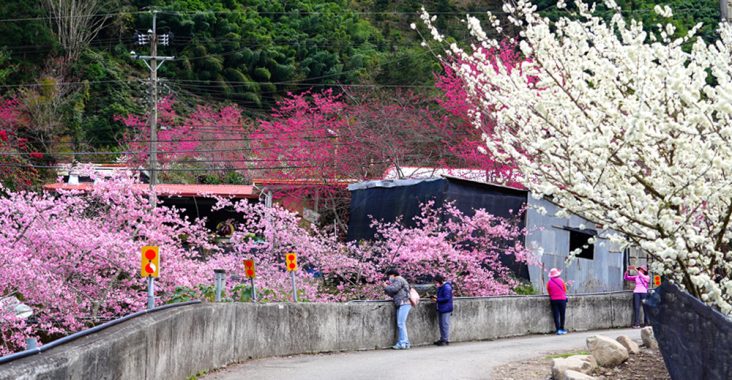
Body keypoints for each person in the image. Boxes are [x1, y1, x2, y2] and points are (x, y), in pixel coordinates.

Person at [383, 268, 411, 349]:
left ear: (393, 275)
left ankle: (403, 343)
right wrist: (387, 288)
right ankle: (405, 342)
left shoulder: (398, 279)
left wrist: (386, 286)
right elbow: (393, 293)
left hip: (404, 303)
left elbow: (394, 289)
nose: (389, 278)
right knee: (401, 323)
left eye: (389, 276)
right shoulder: (398, 280)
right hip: (402, 303)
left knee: (401, 323)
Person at [430, 274, 453, 346]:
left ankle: (445, 340)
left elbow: (446, 298)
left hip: (446, 308)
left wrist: (437, 299)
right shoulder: (442, 287)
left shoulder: (446, 287)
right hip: (442, 308)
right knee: (441, 324)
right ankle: (442, 338)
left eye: (436, 282)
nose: (435, 283)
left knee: (444, 324)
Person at [546, 268, 568, 335]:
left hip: (554, 300)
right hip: (562, 300)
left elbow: (549, 291)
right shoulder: (561, 281)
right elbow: (564, 290)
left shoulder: (549, 283)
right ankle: (562, 328)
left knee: (556, 315)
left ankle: (558, 329)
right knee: (562, 314)